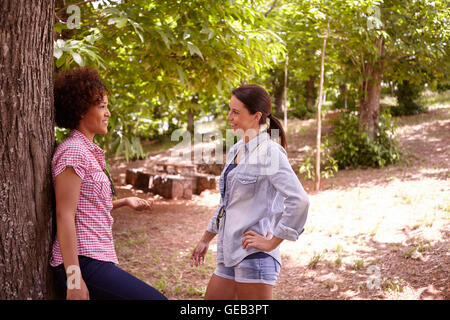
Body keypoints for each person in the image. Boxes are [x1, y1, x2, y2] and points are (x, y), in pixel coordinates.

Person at [51, 67, 167, 300]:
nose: (108, 113)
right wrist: (74, 280)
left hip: (97, 257)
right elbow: (65, 214)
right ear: (82, 109)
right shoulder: (73, 151)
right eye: (102, 106)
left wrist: (124, 201)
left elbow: (86, 206)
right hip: (83, 262)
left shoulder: (86, 151)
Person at [190, 84, 309, 300]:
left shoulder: (270, 152)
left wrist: (273, 241)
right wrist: (206, 239)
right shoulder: (236, 150)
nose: (229, 117)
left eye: (236, 112)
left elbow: (299, 200)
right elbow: (226, 204)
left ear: (256, 116)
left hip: (254, 257)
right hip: (229, 253)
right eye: (229, 110)